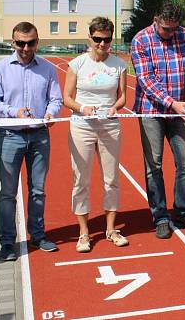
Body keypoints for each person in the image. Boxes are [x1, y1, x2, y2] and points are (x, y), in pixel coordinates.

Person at [0, 22, 62, 260]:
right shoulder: (0, 68)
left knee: (38, 190)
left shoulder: (48, 69)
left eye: (30, 43)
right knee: (8, 192)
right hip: (11, 135)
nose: (26, 48)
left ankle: (38, 235)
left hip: (39, 135)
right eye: (20, 43)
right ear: (13, 42)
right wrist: (14, 112)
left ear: (37, 42)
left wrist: (51, 114)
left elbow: (55, 99)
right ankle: (8, 242)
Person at [131, 3, 185, 239]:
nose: (170, 33)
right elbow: (146, 79)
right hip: (152, 111)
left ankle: (183, 211)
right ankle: (160, 215)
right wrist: (171, 102)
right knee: (154, 166)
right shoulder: (140, 40)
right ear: (155, 20)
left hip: (181, 110)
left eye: (174, 29)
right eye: (165, 29)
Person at [62, 17, 128, 252]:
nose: (102, 44)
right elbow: (66, 98)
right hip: (83, 126)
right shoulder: (77, 64)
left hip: (110, 126)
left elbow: (122, 96)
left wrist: (115, 107)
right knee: (81, 179)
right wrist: (82, 108)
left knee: (111, 179)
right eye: (97, 39)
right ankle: (84, 233)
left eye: (107, 40)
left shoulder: (119, 65)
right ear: (89, 38)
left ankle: (111, 229)